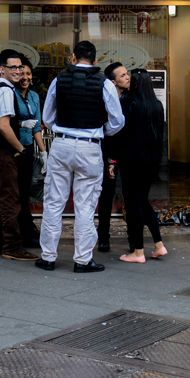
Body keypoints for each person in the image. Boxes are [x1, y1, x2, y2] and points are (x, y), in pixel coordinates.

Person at [35, 41, 124, 274]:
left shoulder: (59, 79)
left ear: (73, 57)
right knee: (85, 205)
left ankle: (47, 257)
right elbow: (117, 120)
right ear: (95, 61)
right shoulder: (104, 83)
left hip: (62, 144)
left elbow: (48, 116)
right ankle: (83, 260)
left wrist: (63, 131)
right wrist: (97, 132)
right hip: (90, 147)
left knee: (54, 202)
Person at [0, 51, 34, 261]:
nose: (18, 71)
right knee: (10, 200)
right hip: (2, 152)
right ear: (2, 69)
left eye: (20, 67)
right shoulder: (4, 91)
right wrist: (20, 148)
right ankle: (11, 246)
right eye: (13, 68)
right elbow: (4, 126)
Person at [113, 69, 167, 263]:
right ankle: (159, 244)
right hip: (151, 159)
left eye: (130, 78)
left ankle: (138, 251)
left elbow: (119, 133)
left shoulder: (129, 103)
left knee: (133, 203)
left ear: (135, 84)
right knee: (143, 201)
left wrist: (112, 160)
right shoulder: (157, 105)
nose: (126, 80)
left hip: (131, 158)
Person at [96, 61, 131, 253]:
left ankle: (134, 239)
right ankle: (103, 237)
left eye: (127, 74)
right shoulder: (105, 100)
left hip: (128, 152)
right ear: (112, 81)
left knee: (131, 194)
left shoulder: (130, 98)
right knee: (107, 194)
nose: (127, 77)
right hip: (109, 152)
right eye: (123, 75)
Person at [14, 59, 44, 248]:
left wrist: (43, 151)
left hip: (28, 148)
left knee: (24, 191)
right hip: (14, 148)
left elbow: (37, 126)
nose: (25, 77)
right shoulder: (11, 94)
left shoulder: (34, 96)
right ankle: (24, 230)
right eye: (22, 74)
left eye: (28, 74)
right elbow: (5, 121)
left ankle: (26, 228)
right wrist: (20, 123)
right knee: (16, 192)